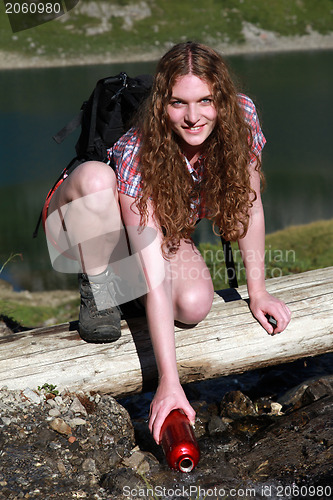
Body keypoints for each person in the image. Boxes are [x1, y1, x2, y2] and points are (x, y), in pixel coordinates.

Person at [43, 41, 291, 445]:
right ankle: (99, 286)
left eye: (205, 100)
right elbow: (157, 276)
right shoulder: (138, 151)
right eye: (178, 103)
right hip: (82, 222)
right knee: (95, 179)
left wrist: (258, 292)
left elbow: (252, 207)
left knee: (193, 305)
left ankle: (125, 288)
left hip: (150, 230)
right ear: (162, 103)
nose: (193, 117)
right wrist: (169, 383)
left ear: (222, 98)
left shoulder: (242, 117)